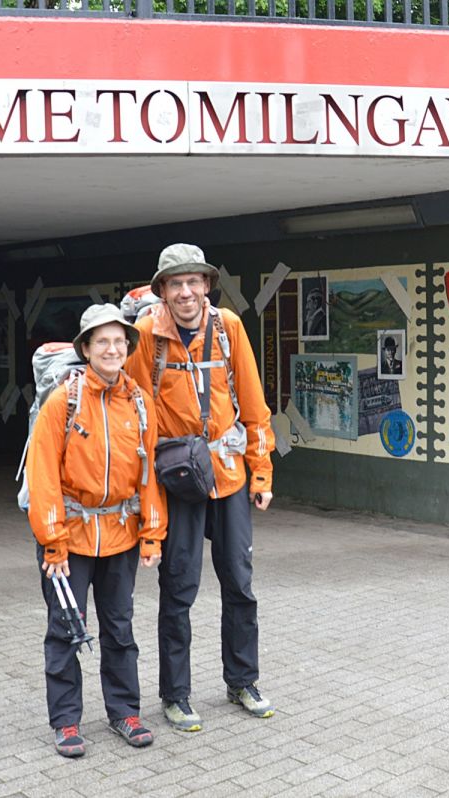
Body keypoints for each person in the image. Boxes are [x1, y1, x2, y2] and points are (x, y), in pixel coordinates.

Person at [125, 243, 276, 733]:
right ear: (163, 291)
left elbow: (253, 404)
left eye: (194, 281)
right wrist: (146, 499)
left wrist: (262, 472)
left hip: (229, 475)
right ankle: (177, 694)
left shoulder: (229, 328)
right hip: (180, 481)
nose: (186, 291)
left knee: (240, 583)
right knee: (179, 587)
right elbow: (138, 419)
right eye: (176, 283)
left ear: (206, 285)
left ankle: (242, 681)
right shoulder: (147, 335)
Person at [24, 303, 166, 758]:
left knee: (120, 628)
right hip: (69, 539)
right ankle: (66, 721)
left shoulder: (140, 403)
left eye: (118, 342)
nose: (111, 349)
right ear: (85, 348)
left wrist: (152, 534)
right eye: (101, 341)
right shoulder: (62, 400)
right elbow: (43, 473)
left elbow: (149, 475)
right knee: (66, 628)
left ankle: (125, 711)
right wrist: (53, 542)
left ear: (128, 349)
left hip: (122, 536)